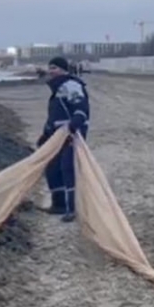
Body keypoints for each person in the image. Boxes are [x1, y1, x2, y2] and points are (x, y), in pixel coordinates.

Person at [35, 56, 90, 223]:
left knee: (68, 168)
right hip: (56, 134)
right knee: (52, 167)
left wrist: (74, 127)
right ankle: (58, 205)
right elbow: (54, 115)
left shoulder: (71, 86)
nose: (52, 71)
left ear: (63, 70)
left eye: (55, 68)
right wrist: (45, 134)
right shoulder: (57, 88)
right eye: (50, 68)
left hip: (71, 133)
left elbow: (81, 109)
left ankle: (71, 209)